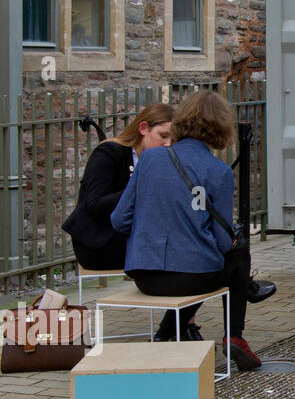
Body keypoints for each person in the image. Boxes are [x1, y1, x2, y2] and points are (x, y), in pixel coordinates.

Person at [111, 91, 261, 370]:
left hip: (145, 275)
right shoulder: (218, 172)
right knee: (236, 255)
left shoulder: (150, 160)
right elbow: (221, 241)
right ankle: (235, 336)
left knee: (200, 266)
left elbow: (119, 221)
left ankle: (163, 336)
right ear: (221, 127)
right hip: (194, 276)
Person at [62, 103, 174, 272]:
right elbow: (95, 204)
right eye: (163, 135)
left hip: (133, 237)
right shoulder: (109, 152)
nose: (168, 144)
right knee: (176, 252)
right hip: (99, 241)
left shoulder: (160, 161)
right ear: (143, 128)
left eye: (173, 139)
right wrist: (139, 189)